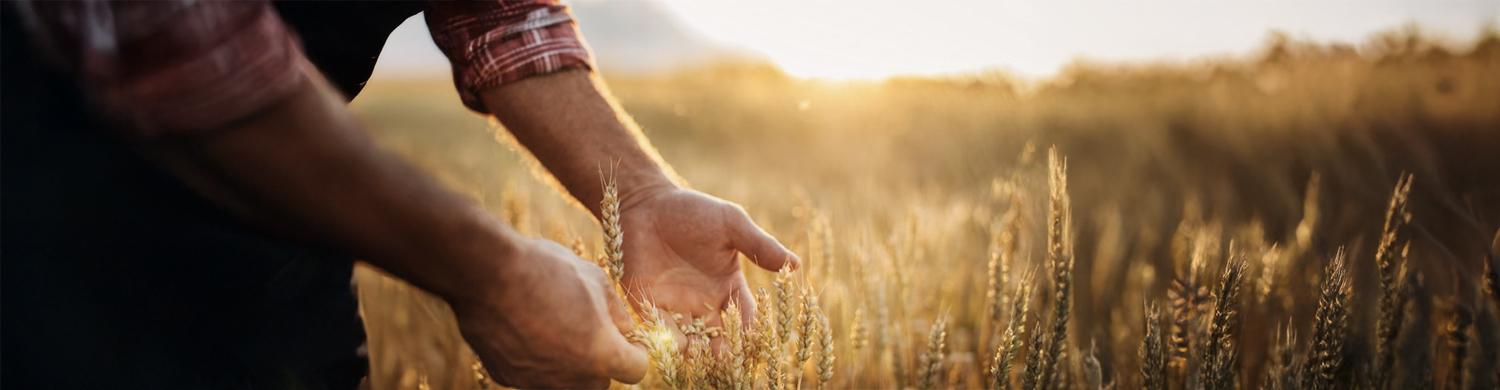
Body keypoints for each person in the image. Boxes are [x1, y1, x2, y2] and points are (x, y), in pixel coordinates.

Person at [0, 1, 799, 388]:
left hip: (289, 226)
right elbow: (185, 55)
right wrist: (497, 278)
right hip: (49, 232)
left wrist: (643, 194)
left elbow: (499, 13)